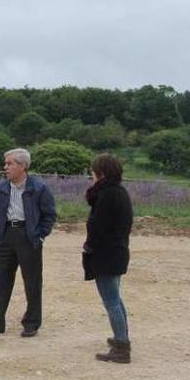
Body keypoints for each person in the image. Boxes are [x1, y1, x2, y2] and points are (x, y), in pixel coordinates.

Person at [0, 148, 56, 338]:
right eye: (6, 163)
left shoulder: (39, 188)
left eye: (10, 163)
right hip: (4, 236)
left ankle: (31, 323)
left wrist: (40, 235)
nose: (5, 167)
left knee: (32, 281)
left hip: (28, 235)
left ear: (23, 166)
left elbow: (49, 215)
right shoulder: (1, 187)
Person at [83, 153, 134, 363]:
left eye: (93, 172)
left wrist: (89, 247)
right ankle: (122, 339)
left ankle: (122, 347)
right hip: (118, 251)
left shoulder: (106, 195)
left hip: (106, 254)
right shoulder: (121, 192)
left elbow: (98, 227)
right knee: (116, 298)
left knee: (111, 301)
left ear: (100, 173)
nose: (91, 176)